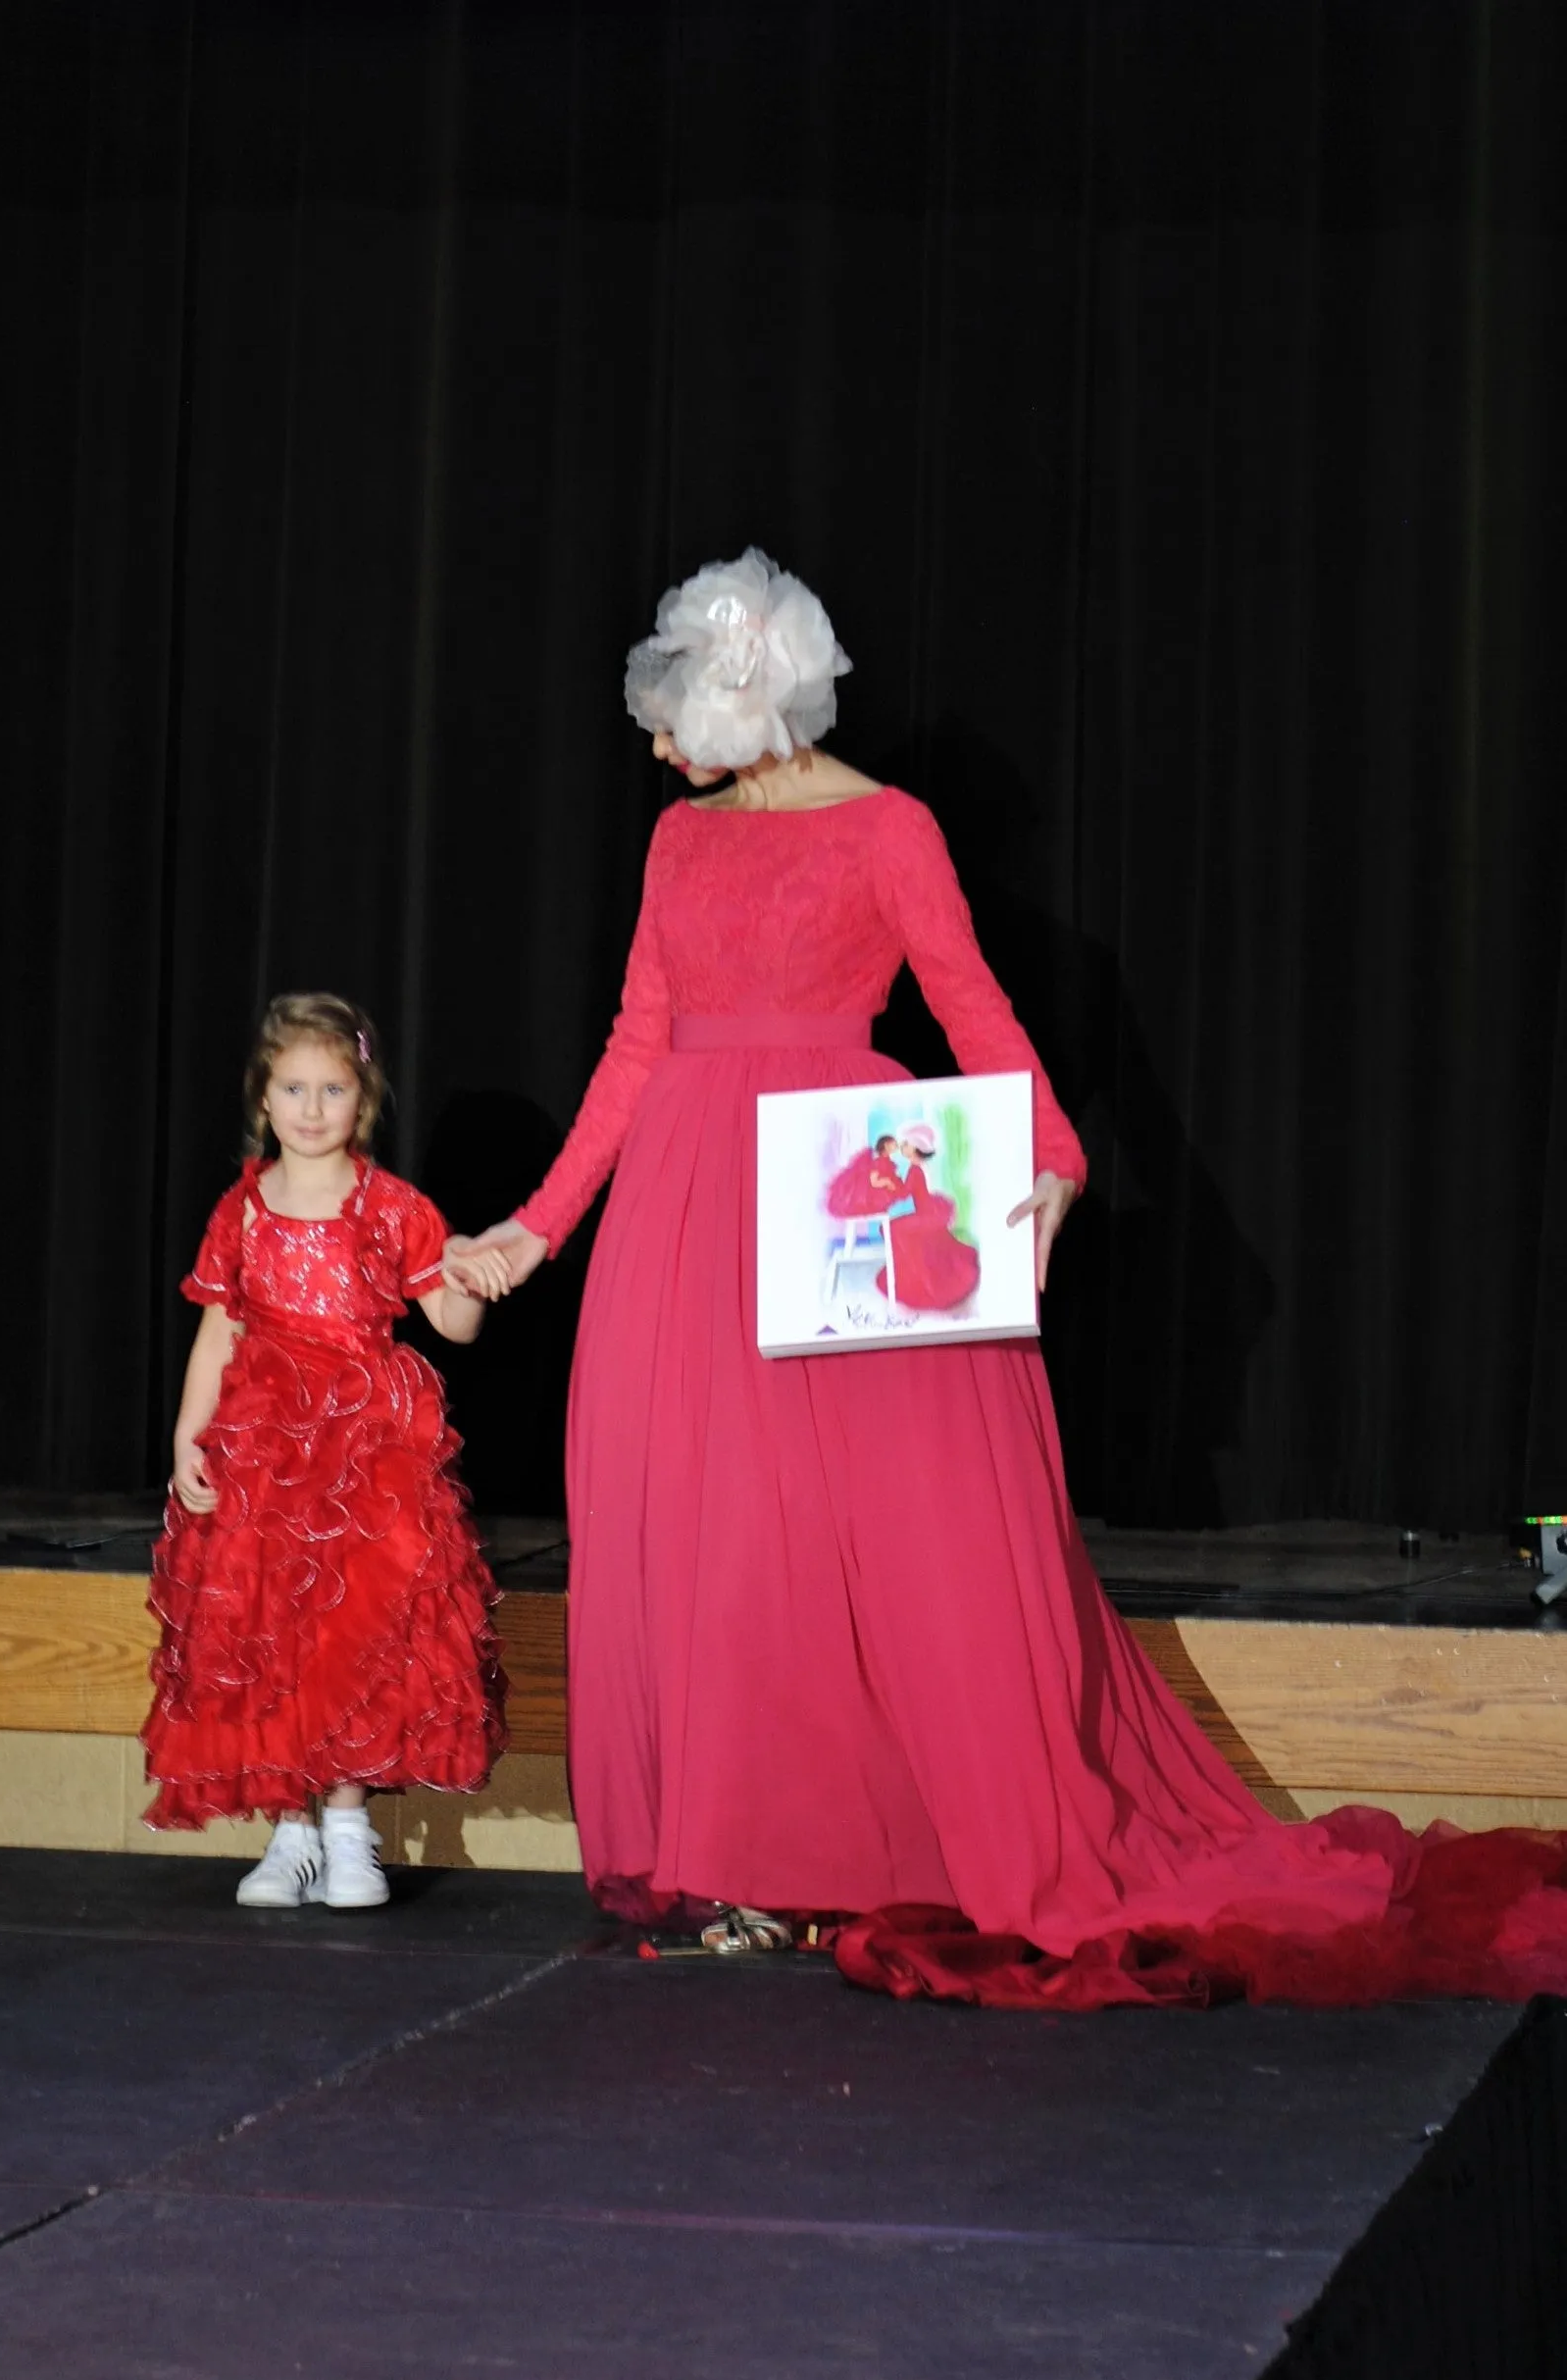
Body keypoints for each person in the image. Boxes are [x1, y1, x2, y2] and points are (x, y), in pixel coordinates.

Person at [447, 549, 1567, 2004]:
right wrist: (534, 1229)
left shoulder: (891, 829)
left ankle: (851, 1844)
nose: (658, 743)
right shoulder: (680, 844)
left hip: (831, 1188)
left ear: (745, 695)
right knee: (709, 1532)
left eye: (673, 708)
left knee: (864, 1539)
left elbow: (972, 1002)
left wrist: (1049, 1150)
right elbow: (633, 1045)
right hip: (680, 1204)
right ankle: (737, 1856)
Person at [144, 992, 510, 1909]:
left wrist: (470, 1274)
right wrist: (190, 1435)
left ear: (365, 1098)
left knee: (354, 1635)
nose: (312, 1108)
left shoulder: (391, 1206)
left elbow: (450, 1324)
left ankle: (349, 1830)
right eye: (294, 1089)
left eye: (333, 1089)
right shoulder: (243, 1208)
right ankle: (292, 1831)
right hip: (263, 1453)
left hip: (365, 1452)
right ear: (264, 1099)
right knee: (271, 1635)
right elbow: (218, 1327)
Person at [876, 1124, 980, 1311]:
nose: (902, 1147)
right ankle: (916, 1271)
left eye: (905, 1144)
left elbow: (905, 1192)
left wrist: (889, 1185)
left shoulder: (915, 1169)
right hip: (928, 1209)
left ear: (916, 1148)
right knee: (914, 1236)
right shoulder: (919, 1166)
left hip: (926, 1212)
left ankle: (918, 1276)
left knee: (894, 1230)